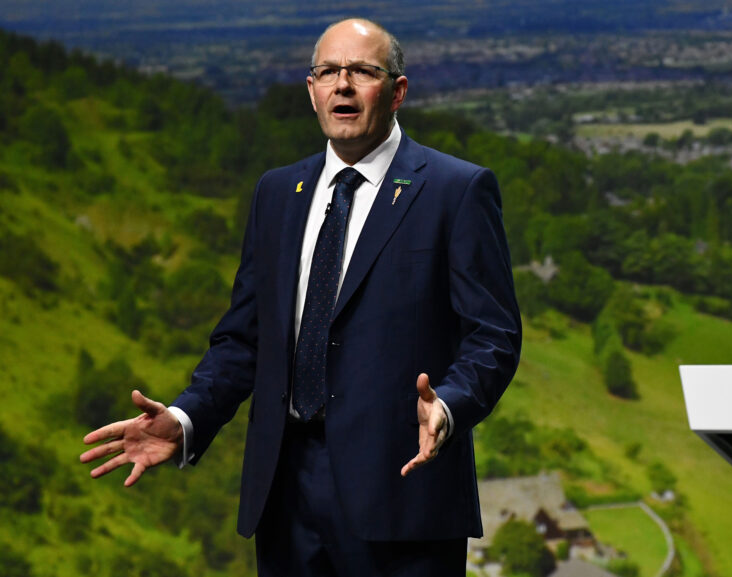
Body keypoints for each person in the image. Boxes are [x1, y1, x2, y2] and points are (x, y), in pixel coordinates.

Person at [80, 17, 521, 577]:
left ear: (397, 91)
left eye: (362, 71)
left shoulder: (457, 190)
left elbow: (495, 336)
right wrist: (187, 418)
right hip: (285, 496)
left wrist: (450, 406)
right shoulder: (276, 193)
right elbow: (245, 338)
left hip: (403, 491)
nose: (343, 84)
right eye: (328, 71)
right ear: (310, 90)